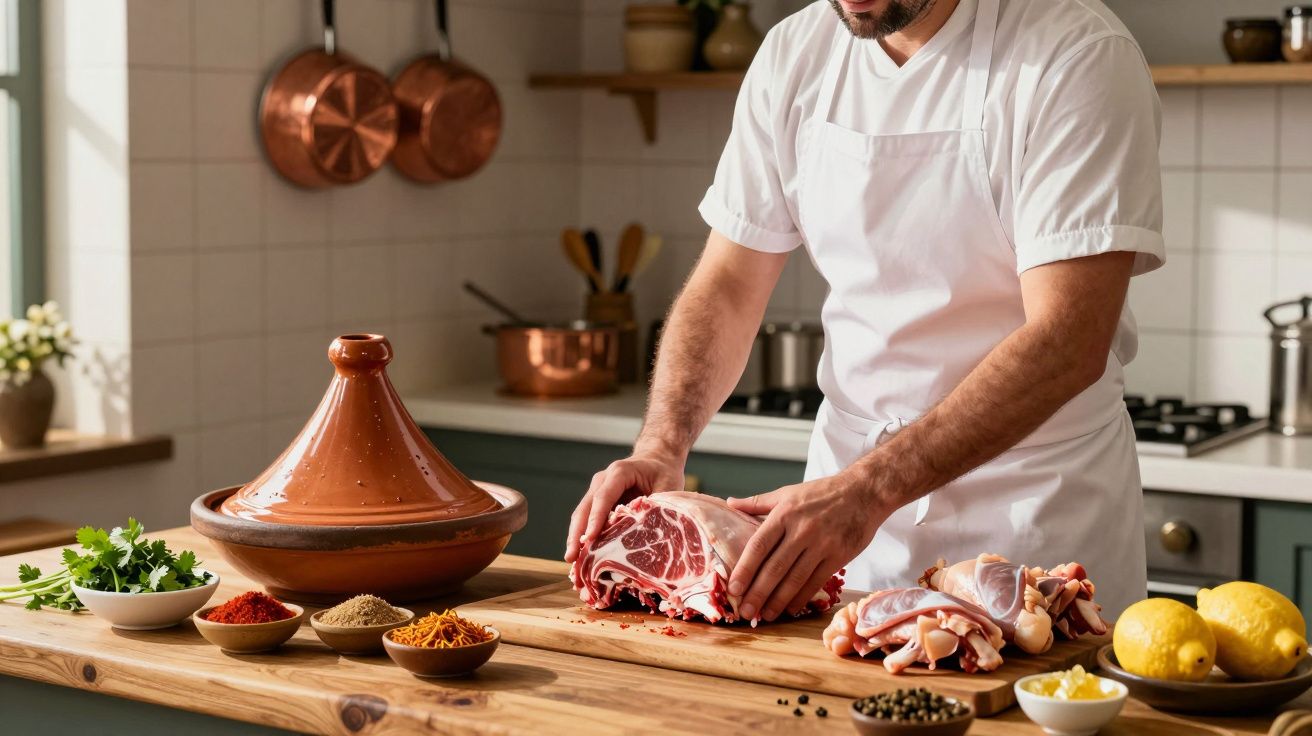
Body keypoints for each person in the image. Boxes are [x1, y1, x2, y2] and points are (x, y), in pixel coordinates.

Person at [565, 0, 1163, 622]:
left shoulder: (1076, 52)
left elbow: (1068, 338)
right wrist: (662, 446)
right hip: (842, 528)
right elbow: (728, 284)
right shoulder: (793, 55)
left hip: (1034, 518)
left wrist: (868, 490)